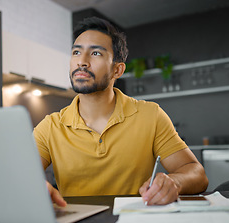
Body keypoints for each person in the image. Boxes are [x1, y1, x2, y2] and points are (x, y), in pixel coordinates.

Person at [33, 17, 208, 207]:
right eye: (76, 52)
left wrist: (175, 182)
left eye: (96, 53)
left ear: (117, 70)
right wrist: (36, 186)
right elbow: (17, 174)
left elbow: (196, 172)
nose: (81, 62)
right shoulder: (50, 126)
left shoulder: (150, 115)